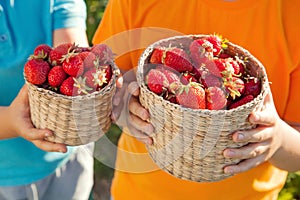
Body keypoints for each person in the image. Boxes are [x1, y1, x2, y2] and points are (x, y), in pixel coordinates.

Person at [92, 0, 300, 199]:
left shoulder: (293, 12)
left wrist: (278, 139)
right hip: (140, 192)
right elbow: (107, 82)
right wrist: (125, 110)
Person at [0, 0, 94, 199]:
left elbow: (71, 50)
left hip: (68, 152)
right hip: (5, 176)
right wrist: (11, 120)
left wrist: (87, 78)